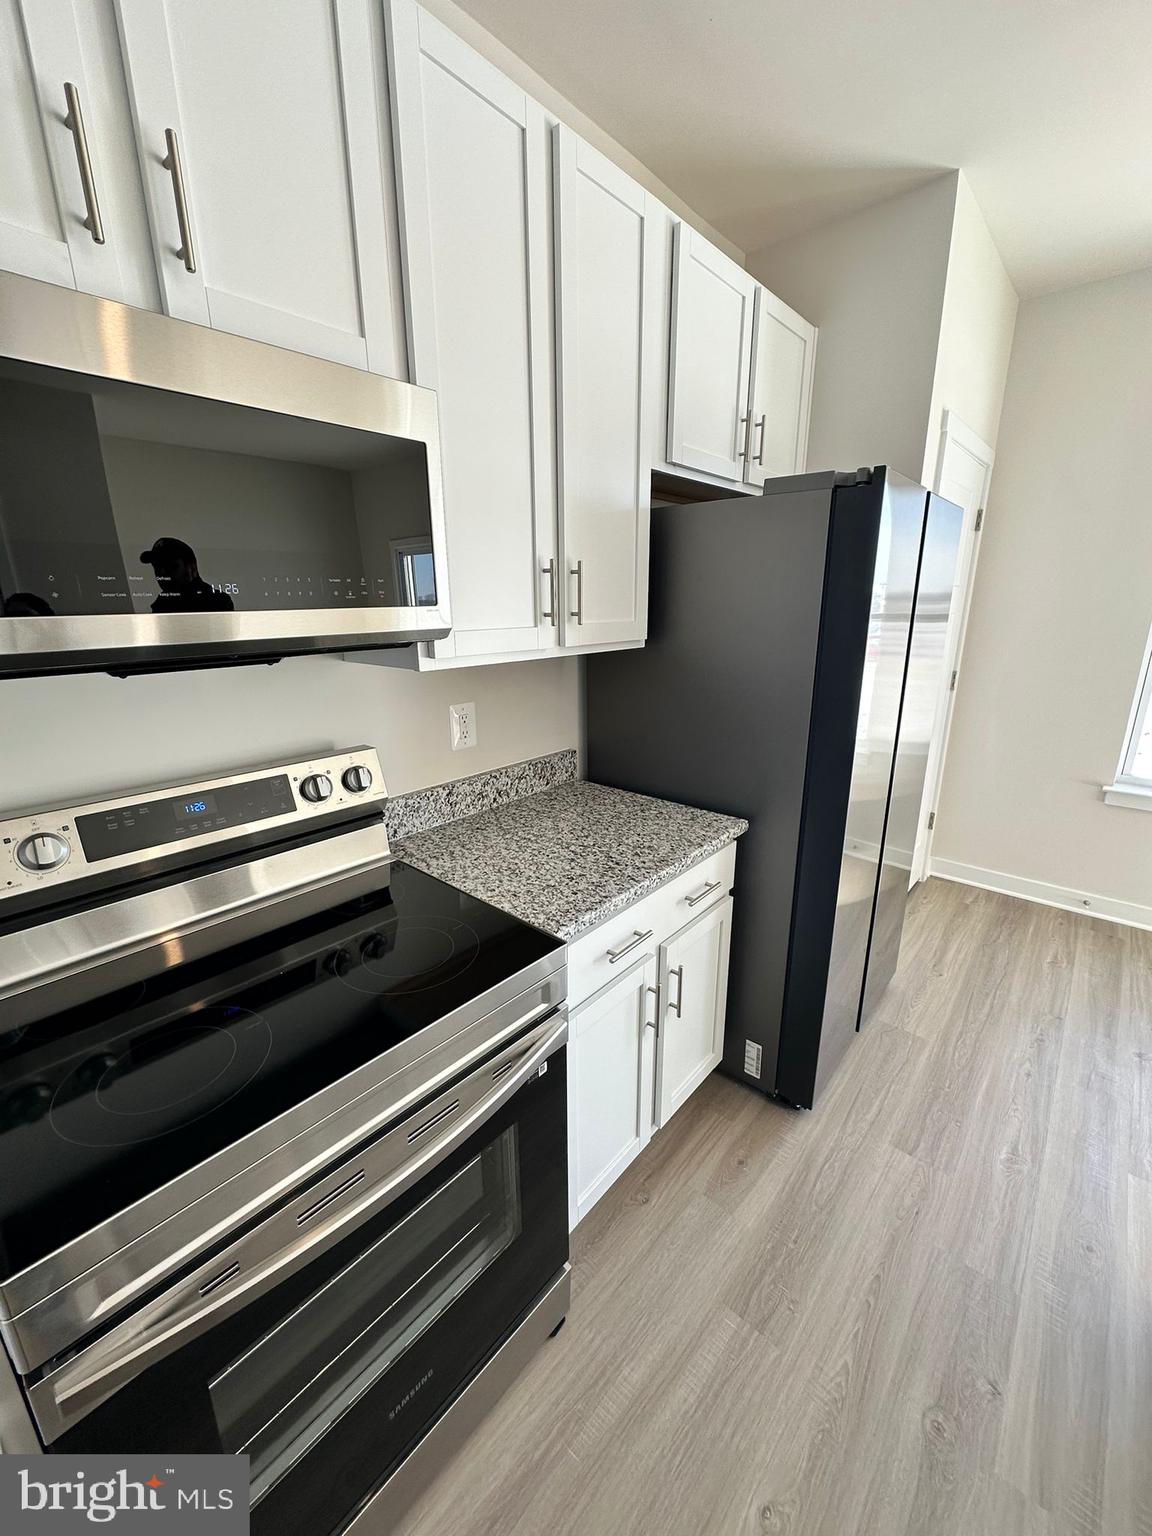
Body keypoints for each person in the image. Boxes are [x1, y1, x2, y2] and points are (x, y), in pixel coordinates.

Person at [140, 538, 235, 612]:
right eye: (157, 566)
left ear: (192, 568)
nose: (162, 572)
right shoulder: (163, 602)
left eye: (170, 565)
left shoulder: (217, 601)